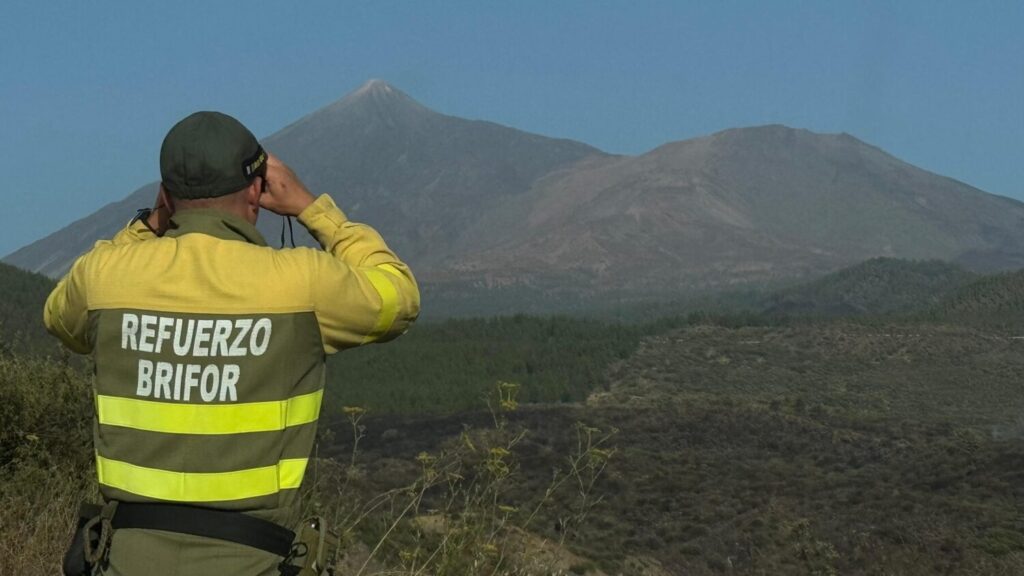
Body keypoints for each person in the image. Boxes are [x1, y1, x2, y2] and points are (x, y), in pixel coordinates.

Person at [44, 111, 420, 575]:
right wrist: (311, 209)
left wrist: (149, 224)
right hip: (255, 560)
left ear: (166, 195)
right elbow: (398, 297)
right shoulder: (300, 284)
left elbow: (59, 317)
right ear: (256, 192)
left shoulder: (102, 277)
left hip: (124, 559)